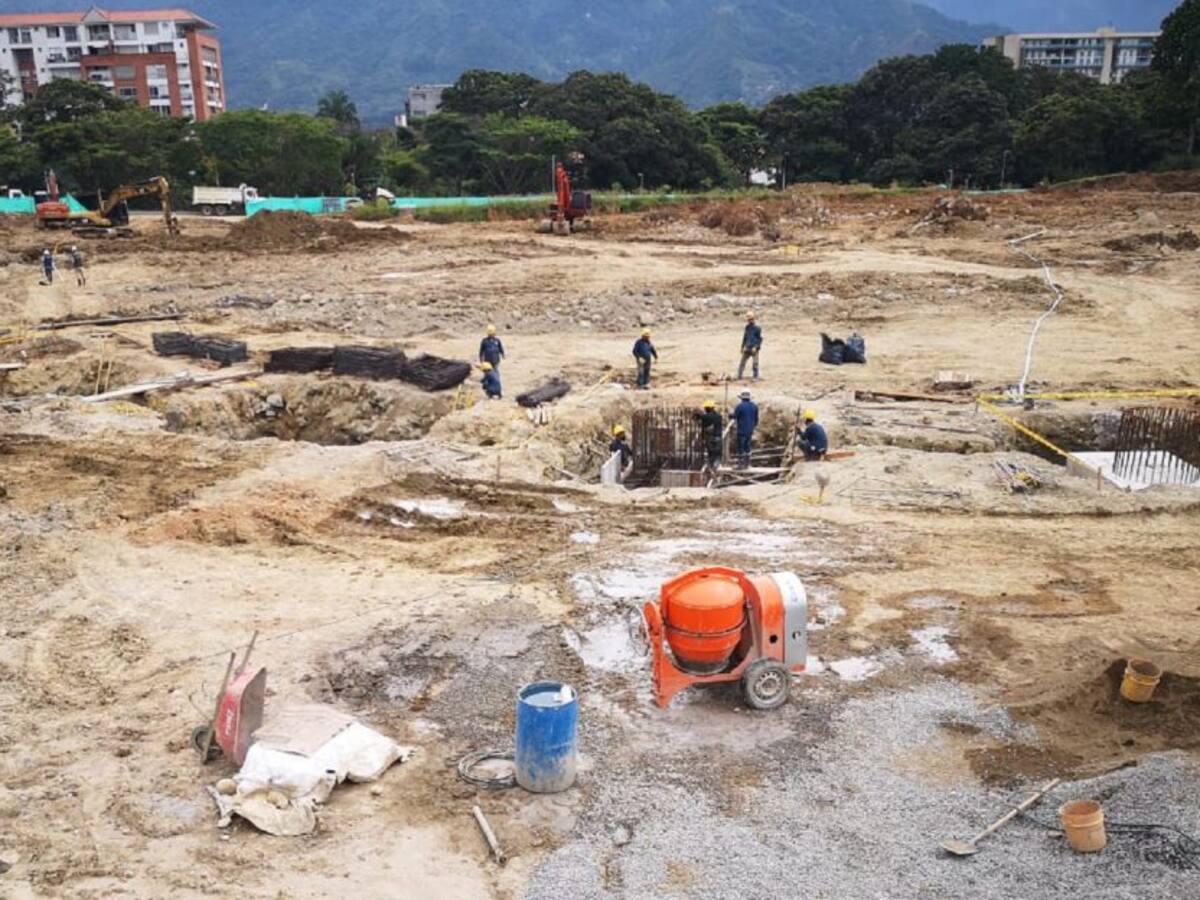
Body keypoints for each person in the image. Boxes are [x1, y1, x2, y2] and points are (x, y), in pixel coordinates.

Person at [694, 399, 723, 472]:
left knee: (711, 453)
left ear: (708, 408)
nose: (705, 409)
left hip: (710, 438)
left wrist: (697, 414)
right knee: (717, 453)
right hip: (718, 436)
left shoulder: (705, 417)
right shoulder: (719, 416)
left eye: (705, 408)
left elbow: (697, 419)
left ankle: (711, 466)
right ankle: (716, 465)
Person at [733, 390, 758, 469]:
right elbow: (756, 419)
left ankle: (740, 464)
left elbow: (735, 416)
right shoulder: (754, 406)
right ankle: (747, 464)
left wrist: (729, 415)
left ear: (742, 398)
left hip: (741, 430)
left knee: (741, 447)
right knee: (747, 446)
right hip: (750, 430)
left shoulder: (740, 406)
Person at [737, 311, 762, 381]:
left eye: (750, 319)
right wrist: (742, 347)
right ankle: (739, 375)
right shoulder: (747, 327)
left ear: (753, 319)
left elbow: (759, 339)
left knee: (755, 363)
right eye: (748, 319)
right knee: (742, 362)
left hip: (754, 349)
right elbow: (745, 338)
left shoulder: (758, 328)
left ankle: (755, 376)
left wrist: (756, 347)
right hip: (747, 347)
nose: (749, 321)